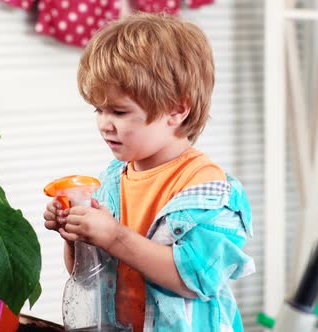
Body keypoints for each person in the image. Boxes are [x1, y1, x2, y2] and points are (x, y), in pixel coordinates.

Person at [44, 12, 255, 332]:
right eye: (98, 109)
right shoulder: (113, 181)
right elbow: (89, 279)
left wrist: (113, 235)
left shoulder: (208, 189)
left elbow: (195, 279)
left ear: (177, 109)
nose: (104, 123)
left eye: (119, 111)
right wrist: (77, 238)